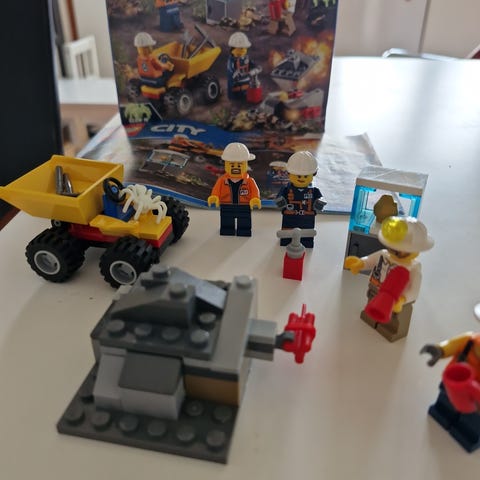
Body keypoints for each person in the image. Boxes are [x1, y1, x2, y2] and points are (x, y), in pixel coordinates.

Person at [344, 216, 433, 341]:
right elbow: (371, 261)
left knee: (396, 317)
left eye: (400, 250)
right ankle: (371, 317)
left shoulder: (413, 268)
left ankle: (391, 329)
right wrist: (360, 263)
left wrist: (403, 299)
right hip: (376, 286)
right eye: (393, 247)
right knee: (372, 300)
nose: (395, 251)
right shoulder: (384, 254)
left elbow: (414, 290)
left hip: (397, 298)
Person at [208, 143, 261, 237]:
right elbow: (216, 190)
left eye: (240, 165)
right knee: (226, 220)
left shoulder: (250, 181)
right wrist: (214, 196)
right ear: (225, 164)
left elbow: (254, 191)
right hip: (226, 205)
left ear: (246, 164)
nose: (236, 168)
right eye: (232, 165)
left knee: (244, 221)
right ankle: (227, 229)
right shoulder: (221, 180)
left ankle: (244, 230)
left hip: (244, 206)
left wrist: (255, 198)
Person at [275, 151, 326, 248]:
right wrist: (281, 203)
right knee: (287, 233)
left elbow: (321, 199)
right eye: (298, 175)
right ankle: (286, 240)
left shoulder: (314, 190)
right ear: (289, 174)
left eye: (306, 176)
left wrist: (320, 202)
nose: (302, 178)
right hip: (290, 217)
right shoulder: (286, 189)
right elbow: (279, 198)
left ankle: (307, 241)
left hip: (307, 217)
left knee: (306, 235)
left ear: (313, 174)